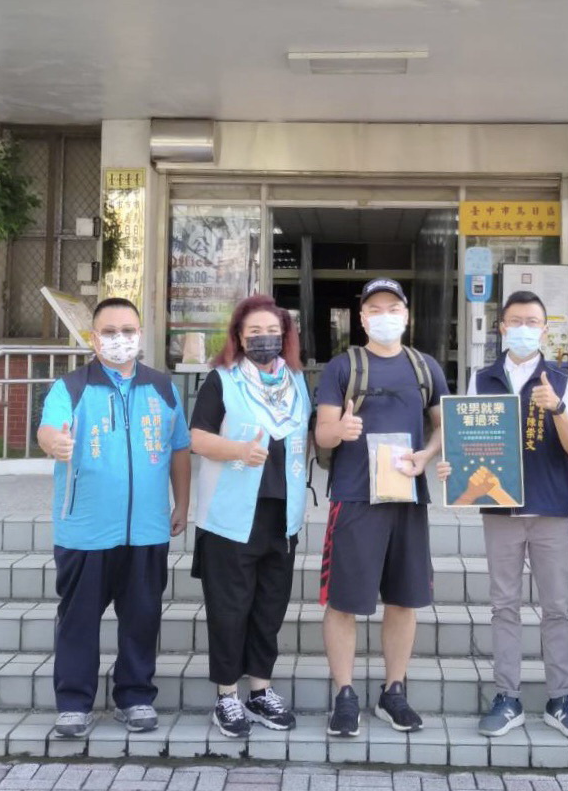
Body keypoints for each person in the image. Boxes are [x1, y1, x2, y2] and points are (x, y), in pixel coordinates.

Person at [436, 290, 568, 739]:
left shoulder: (565, 381)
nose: (524, 328)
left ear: (545, 329)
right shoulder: (482, 378)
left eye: (533, 321)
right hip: (500, 510)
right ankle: (507, 697)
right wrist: (452, 468)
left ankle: (561, 699)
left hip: (551, 507)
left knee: (556, 607)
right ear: (502, 327)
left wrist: (557, 409)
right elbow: (465, 442)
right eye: (516, 321)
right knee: (504, 605)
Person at [36, 297, 192, 739]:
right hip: (85, 531)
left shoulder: (162, 387)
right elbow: (48, 429)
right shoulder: (71, 388)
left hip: (147, 530)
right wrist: (54, 443)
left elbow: (179, 448)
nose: (119, 339)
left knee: (142, 617)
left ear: (140, 335)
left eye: (128, 330)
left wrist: (182, 504)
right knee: (78, 620)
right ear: (94, 339)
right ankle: (73, 703)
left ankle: (135, 696)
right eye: (109, 332)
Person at [314, 277, 449, 737]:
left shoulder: (424, 367)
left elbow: (442, 425)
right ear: (362, 317)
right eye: (375, 309)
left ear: (406, 316)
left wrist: (427, 455)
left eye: (393, 308)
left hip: (407, 496)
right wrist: (340, 431)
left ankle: (394, 691)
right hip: (354, 497)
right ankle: (344, 695)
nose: (385, 315)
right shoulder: (343, 367)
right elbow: (322, 433)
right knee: (343, 601)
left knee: (404, 599)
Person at [188, 295, 311, 739]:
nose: (264, 339)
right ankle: (227, 695)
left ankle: (260, 691)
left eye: (272, 331)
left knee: (268, 608)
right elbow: (197, 437)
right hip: (230, 516)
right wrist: (238, 450)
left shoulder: (296, 382)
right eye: (254, 332)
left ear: (285, 336)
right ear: (239, 337)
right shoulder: (222, 380)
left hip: (282, 515)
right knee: (229, 609)